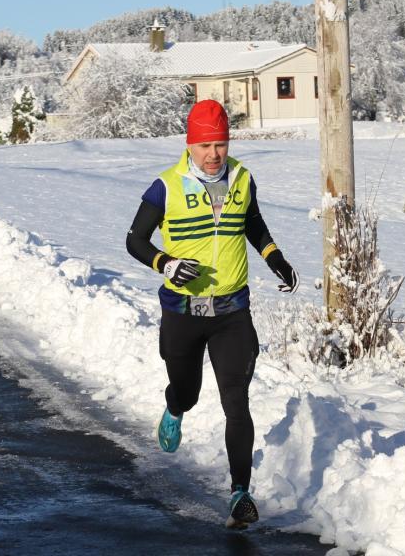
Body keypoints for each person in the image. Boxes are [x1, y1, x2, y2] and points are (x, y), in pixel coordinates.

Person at [125, 99, 299, 529]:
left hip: (232, 311)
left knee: (236, 402)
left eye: (220, 143)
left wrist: (274, 257)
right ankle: (174, 407)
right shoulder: (165, 186)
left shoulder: (242, 178)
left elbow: (252, 223)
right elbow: (134, 239)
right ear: (190, 144)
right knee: (187, 390)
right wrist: (165, 264)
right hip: (183, 312)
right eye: (205, 145)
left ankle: (240, 493)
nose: (213, 154)